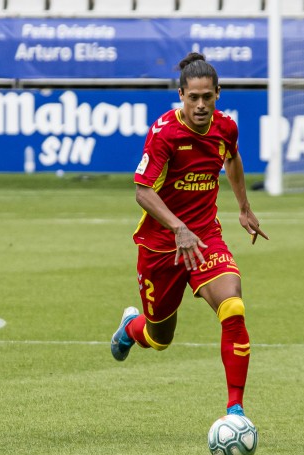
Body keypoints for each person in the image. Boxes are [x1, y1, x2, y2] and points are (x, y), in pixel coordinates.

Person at [110, 53, 268, 418]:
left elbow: (232, 158)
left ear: (218, 95)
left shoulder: (226, 128)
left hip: (205, 238)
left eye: (207, 97)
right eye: (193, 97)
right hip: (160, 246)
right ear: (181, 95)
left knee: (233, 307)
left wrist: (243, 207)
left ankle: (235, 411)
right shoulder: (164, 133)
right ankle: (129, 329)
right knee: (158, 338)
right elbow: (142, 191)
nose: (200, 105)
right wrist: (178, 228)